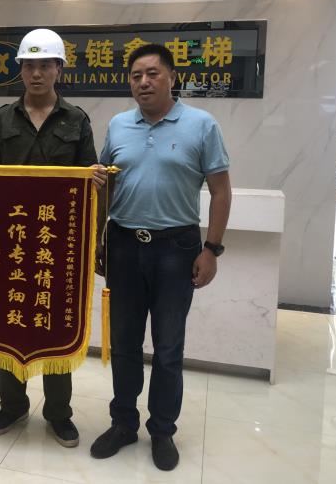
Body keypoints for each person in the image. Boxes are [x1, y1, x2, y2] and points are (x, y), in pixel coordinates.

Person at [0, 28, 106, 448]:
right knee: (8, 319)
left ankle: (59, 413)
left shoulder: (76, 120)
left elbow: (88, 181)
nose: (36, 73)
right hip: (9, 244)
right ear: (20, 70)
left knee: (58, 321)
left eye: (45, 65)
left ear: (59, 69)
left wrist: (94, 179)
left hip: (59, 248)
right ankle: (12, 405)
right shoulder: (1, 119)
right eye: (29, 66)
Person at [90, 43, 231, 471]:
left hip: (176, 248)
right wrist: (98, 238)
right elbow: (106, 185)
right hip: (123, 244)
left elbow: (221, 190)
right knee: (124, 343)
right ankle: (123, 423)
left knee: (168, 346)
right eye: (136, 76)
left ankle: (163, 430)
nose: (143, 82)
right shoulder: (118, 125)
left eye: (152, 73)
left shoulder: (201, 125)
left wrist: (211, 249)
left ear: (172, 77)